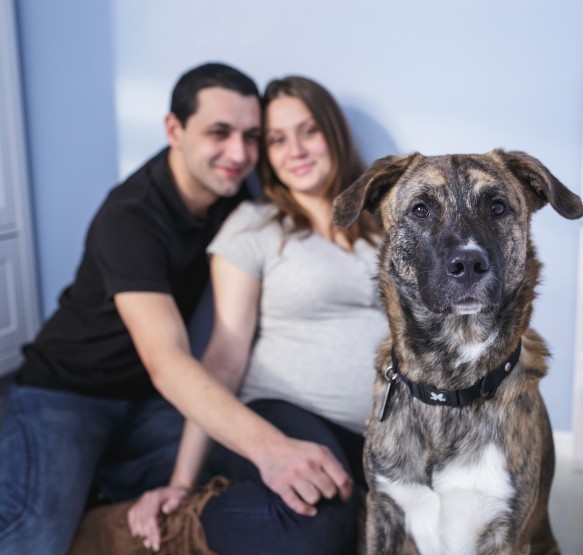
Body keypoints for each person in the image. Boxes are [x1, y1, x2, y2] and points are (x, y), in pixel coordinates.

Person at [0, 62, 262, 555]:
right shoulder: (130, 216)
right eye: (219, 133)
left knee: (226, 481)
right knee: (31, 534)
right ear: (173, 129)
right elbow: (168, 363)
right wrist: (276, 452)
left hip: (145, 403)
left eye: (251, 136)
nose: (239, 153)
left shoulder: (232, 192)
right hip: (66, 393)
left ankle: (94, 487)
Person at [124, 76, 387, 554]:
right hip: (285, 411)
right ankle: (194, 520)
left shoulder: (386, 224)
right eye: (277, 140)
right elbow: (224, 356)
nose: (296, 150)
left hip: (383, 435)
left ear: (334, 133)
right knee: (316, 524)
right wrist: (181, 485)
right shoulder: (256, 225)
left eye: (309, 131)